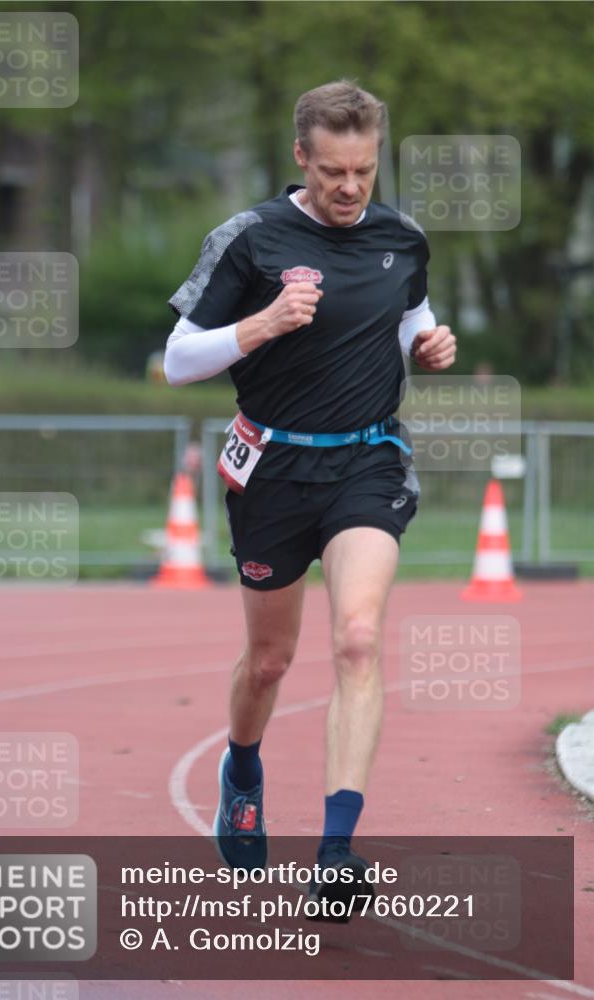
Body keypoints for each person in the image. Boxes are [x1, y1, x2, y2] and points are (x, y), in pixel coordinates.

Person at [164, 80, 456, 915]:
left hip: (366, 460)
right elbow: (179, 358)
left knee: (358, 637)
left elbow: (407, 316)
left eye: (362, 170)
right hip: (274, 472)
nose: (348, 188)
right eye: (332, 170)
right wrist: (265, 323)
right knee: (269, 661)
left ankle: (336, 850)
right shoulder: (249, 239)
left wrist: (427, 344)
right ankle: (243, 768)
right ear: (301, 157)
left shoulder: (401, 237)